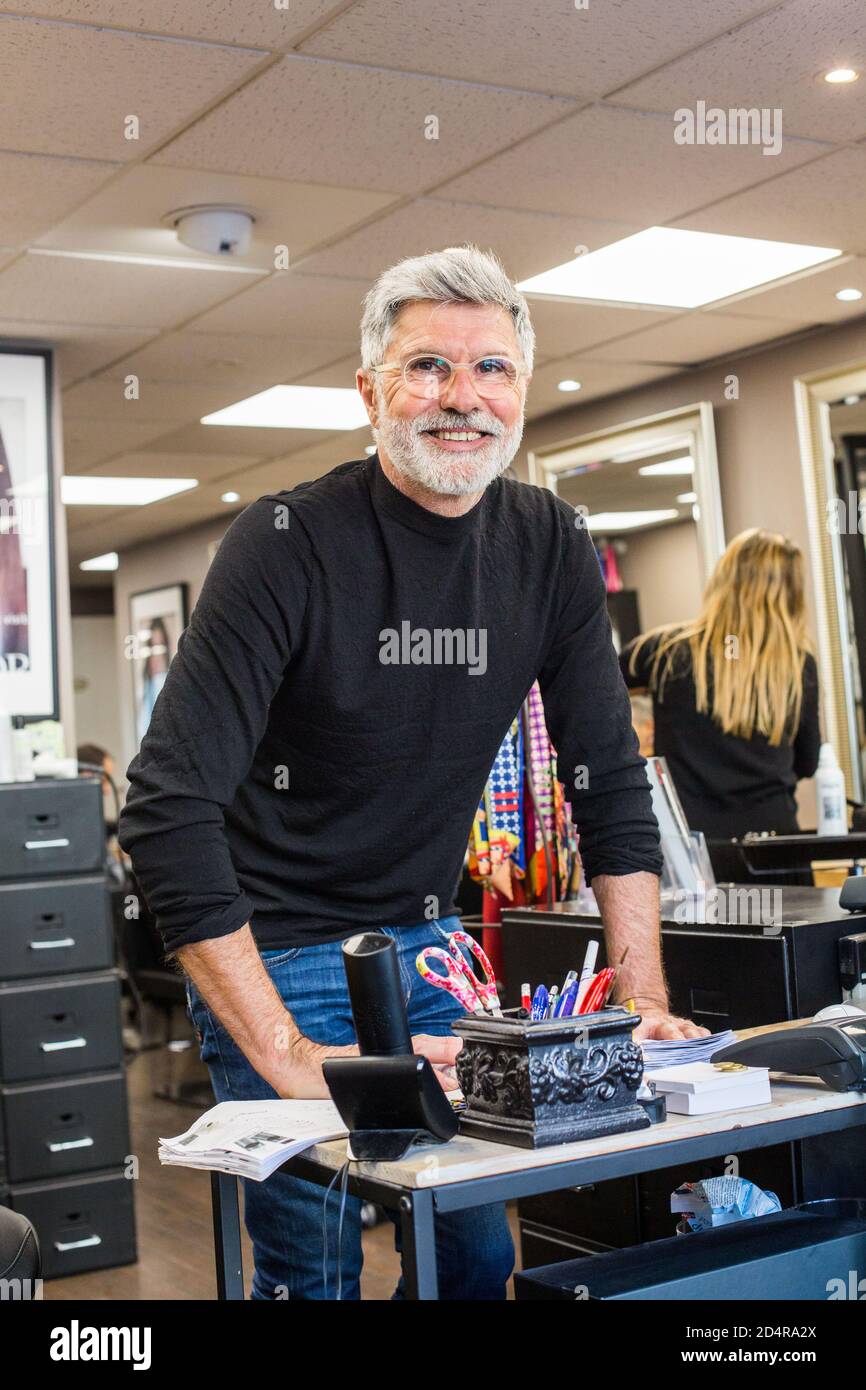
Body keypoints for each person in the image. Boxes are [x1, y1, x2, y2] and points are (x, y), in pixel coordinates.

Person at [118, 245, 705, 1302]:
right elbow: (165, 808)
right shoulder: (285, 543)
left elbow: (606, 780)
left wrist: (641, 996)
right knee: (316, 1262)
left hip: (428, 940)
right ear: (369, 390)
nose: (461, 399)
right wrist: (290, 1051)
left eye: (491, 369)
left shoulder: (553, 544)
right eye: (427, 366)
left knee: (474, 1251)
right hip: (278, 940)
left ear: (520, 391)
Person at [620, 528, 821, 840]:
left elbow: (596, 692)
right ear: (791, 593)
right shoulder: (796, 664)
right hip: (776, 841)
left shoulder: (665, 652)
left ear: (723, 580)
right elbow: (807, 763)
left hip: (697, 843)